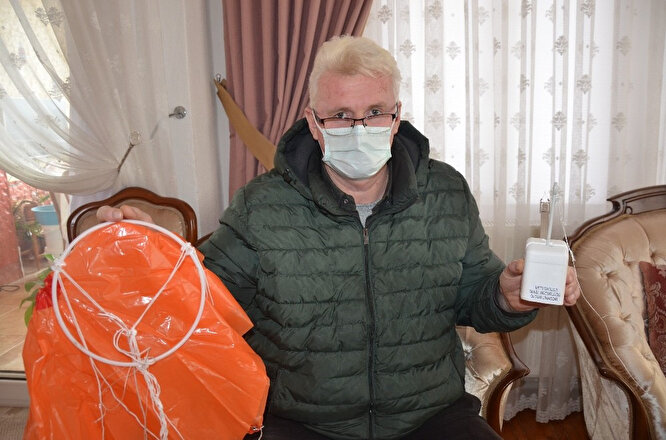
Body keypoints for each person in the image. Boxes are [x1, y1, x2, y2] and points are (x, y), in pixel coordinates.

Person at [97, 36, 580, 440]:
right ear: (313, 123)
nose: (359, 128)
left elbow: (475, 295)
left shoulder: (446, 191)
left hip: (429, 416)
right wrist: (147, 254)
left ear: (397, 117)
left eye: (375, 111)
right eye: (341, 115)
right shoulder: (261, 206)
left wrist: (508, 296)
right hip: (300, 422)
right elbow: (202, 300)